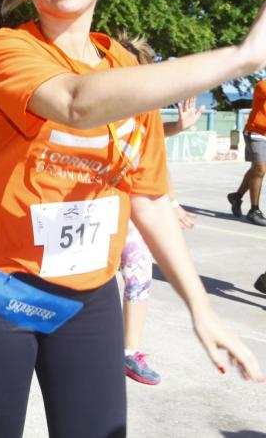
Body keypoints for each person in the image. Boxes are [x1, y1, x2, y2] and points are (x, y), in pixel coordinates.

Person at [0, 0, 264, 437]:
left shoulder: (129, 72)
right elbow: (75, 103)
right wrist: (241, 57)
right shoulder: (8, 51)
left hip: (89, 297)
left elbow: (148, 197)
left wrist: (201, 308)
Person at [117, 35, 205, 385]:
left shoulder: (146, 103)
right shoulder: (93, 99)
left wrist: (171, 202)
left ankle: (128, 352)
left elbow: (154, 152)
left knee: (139, 273)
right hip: (95, 203)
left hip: (133, 205)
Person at [227, 78, 266, 226]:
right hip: (256, 133)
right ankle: (254, 211)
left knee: (256, 170)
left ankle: (236, 197)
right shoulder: (262, 85)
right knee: (260, 169)